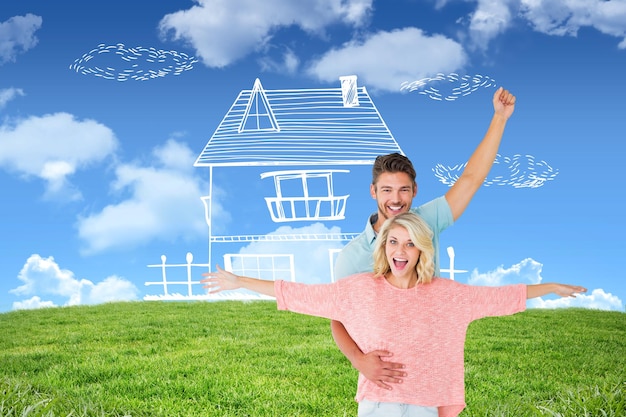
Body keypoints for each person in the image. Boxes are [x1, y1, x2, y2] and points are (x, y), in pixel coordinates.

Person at [201, 212, 586, 417]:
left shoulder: (447, 295)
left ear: (421, 250)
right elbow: (297, 294)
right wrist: (239, 280)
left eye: (410, 243)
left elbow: (502, 297)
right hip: (377, 407)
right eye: (393, 241)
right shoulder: (359, 289)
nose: (400, 250)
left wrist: (549, 287)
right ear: (384, 247)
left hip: (423, 407)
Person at [332, 86, 517, 389]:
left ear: (414, 192)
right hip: (384, 375)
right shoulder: (352, 256)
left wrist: (499, 118)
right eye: (387, 190)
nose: (395, 199)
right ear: (373, 192)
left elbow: (471, 179)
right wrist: (358, 359)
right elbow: (338, 317)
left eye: (404, 190)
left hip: (433, 363)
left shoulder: (427, 220)